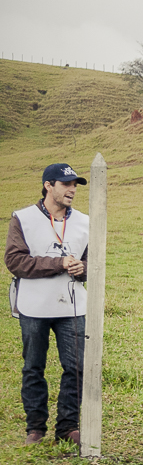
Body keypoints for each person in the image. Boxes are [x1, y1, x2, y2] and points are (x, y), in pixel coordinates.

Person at [6, 163, 89, 446]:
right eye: (66, 184)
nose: (72, 190)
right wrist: (58, 263)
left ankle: (68, 426)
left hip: (73, 306)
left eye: (75, 185)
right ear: (48, 186)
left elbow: (95, 263)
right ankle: (36, 428)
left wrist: (83, 268)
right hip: (34, 305)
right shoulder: (23, 218)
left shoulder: (85, 222)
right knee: (33, 367)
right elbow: (15, 261)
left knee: (76, 367)